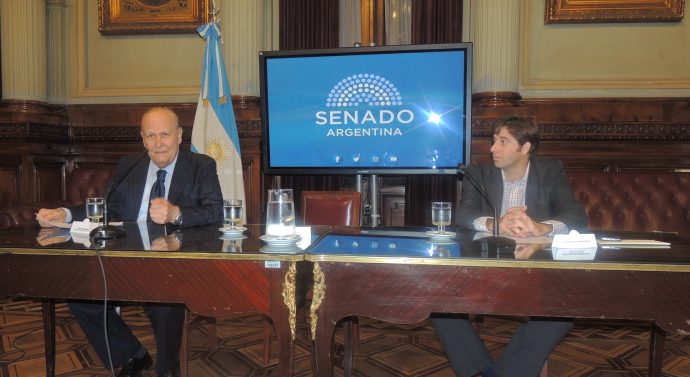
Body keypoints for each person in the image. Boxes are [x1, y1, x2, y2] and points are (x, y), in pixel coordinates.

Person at [37, 107, 223, 377]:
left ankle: (167, 370)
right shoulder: (130, 165)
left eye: (164, 134)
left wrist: (176, 213)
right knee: (79, 295)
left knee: (164, 301)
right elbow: (104, 208)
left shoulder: (201, 166)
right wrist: (63, 213)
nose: (158, 143)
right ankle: (131, 355)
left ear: (180, 135)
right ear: (142, 139)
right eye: (151, 136)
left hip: (174, 262)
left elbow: (215, 211)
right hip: (124, 260)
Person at [433, 115, 588, 377]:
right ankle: (478, 371)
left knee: (562, 312)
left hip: (536, 273)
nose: (493, 148)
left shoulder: (551, 170)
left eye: (503, 141)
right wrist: (497, 224)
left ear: (525, 147)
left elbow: (576, 217)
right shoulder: (478, 173)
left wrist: (542, 227)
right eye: (494, 141)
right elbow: (464, 215)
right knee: (439, 304)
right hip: (484, 271)